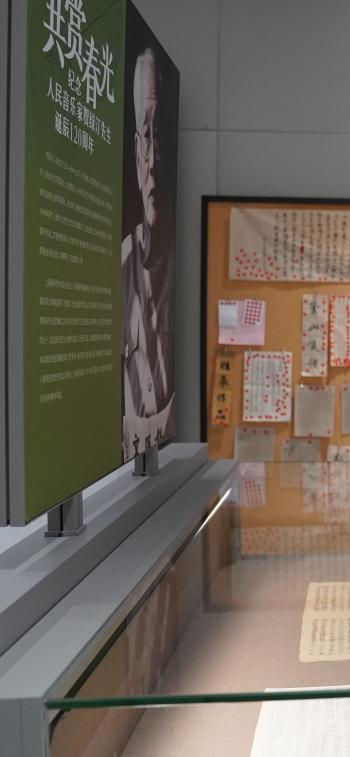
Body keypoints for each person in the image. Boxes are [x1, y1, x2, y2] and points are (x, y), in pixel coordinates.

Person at [122, 47, 175, 462]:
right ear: (137, 147)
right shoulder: (121, 265)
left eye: (160, 138)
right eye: (146, 135)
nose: (153, 158)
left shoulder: (176, 269)